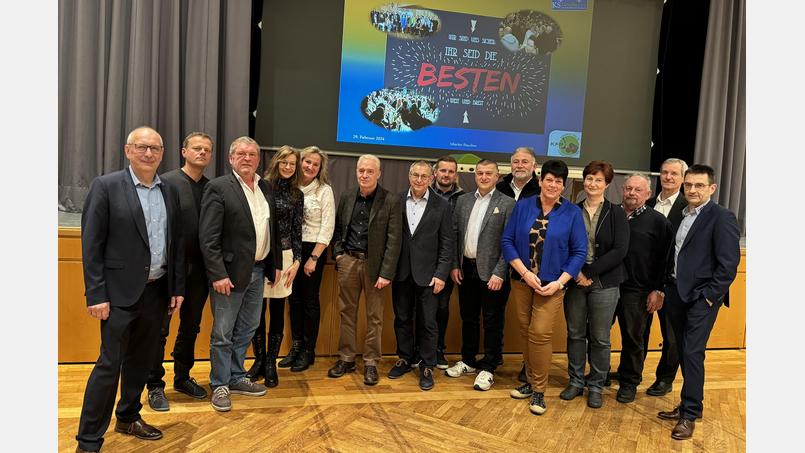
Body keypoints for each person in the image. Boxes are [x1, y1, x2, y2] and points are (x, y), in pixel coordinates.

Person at [75, 126, 185, 453]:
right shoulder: (106, 186)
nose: (148, 153)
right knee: (109, 365)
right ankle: (89, 440)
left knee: (141, 361)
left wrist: (176, 287)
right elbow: (91, 244)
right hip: (117, 295)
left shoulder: (170, 191)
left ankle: (128, 416)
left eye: (155, 148)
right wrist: (96, 294)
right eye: (142, 147)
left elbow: (175, 243)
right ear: (128, 150)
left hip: (157, 292)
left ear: (162, 153)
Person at [657, 164, 740, 440]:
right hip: (677, 294)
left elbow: (728, 265)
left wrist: (708, 297)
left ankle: (689, 414)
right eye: (689, 185)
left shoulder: (722, 217)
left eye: (699, 186)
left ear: (711, 188)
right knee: (683, 351)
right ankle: (690, 404)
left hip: (701, 299)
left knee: (692, 353)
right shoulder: (682, 215)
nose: (692, 190)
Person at [199, 136, 282, 412]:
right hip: (229, 275)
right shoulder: (218, 187)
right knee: (223, 332)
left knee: (246, 329)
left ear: (259, 160)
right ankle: (220, 383)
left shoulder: (265, 187)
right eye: (241, 154)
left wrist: (274, 265)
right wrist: (218, 274)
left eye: (252, 154)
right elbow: (208, 238)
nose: (247, 158)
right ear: (231, 158)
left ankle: (236, 376)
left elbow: (273, 231)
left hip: (258, 272)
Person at [502, 159, 586, 415]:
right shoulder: (523, 206)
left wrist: (560, 282)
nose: (553, 185)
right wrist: (525, 274)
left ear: (563, 185)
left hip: (552, 286)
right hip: (522, 281)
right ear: (540, 180)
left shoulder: (571, 213)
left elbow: (579, 252)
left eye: (558, 182)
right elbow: (507, 241)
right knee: (527, 332)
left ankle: (539, 390)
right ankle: (529, 381)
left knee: (540, 333)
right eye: (549, 179)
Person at [146, 132, 214, 412]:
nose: (201, 153)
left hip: (200, 269)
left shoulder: (213, 188)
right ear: (183, 151)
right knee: (159, 329)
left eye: (207, 150)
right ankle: (154, 385)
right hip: (170, 269)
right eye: (196, 148)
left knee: (191, 326)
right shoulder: (166, 183)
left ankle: (182, 376)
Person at [328, 155, 402, 386]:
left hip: (375, 267)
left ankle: (371, 362)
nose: (365, 175)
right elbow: (338, 229)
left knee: (375, 317)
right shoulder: (348, 196)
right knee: (346, 312)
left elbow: (394, 240)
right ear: (356, 171)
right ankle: (347, 358)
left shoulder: (390, 200)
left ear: (379, 173)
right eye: (361, 170)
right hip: (349, 261)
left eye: (370, 171)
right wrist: (339, 255)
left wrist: (386, 272)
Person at [560, 160, 629, 409]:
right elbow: (563, 246)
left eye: (598, 180)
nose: (592, 183)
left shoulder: (616, 212)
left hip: (605, 282)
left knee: (600, 338)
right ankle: (576, 381)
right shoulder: (570, 211)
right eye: (589, 178)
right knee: (576, 334)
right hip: (575, 281)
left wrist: (588, 271)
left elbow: (620, 250)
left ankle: (597, 385)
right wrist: (577, 272)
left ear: (607, 184)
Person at [445, 160, 515, 391]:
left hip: (493, 273)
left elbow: (510, 242)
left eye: (489, 174)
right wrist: (455, 265)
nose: (484, 177)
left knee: (493, 321)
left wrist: (500, 272)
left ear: (497, 176)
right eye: (480, 173)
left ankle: (489, 366)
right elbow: (454, 235)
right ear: (475, 176)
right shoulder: (463, 201)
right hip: (466, 269)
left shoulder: (507, 204)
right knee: (469, 317)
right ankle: (468, 360)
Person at [389, 161, 454, 390]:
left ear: (431, 178)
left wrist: (441, 275)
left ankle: (427, 365)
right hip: (401, 272)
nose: (419, 180)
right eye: (415, 175)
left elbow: (448, 243)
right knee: (402, 318)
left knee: (428, 322)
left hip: (429, 276)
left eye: (424, 176)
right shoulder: (395, 201)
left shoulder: (442, 205)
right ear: (409, 176)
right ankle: (405, 358)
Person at [245, 145, 304, 388]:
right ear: (276, 163)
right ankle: (258, 360)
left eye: (292, 163)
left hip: (287, 256)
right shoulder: (262, 187)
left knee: (278, 311)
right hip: (263, 256)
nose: (288, 167)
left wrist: (297, 261)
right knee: (256, 312)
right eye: (284, 162)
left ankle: (270, 362)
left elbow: (296, 230)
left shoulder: (297, 194)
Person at [612, 174, 673, 404]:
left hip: (638, 290)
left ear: (648, 194)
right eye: (628, 188)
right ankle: (600, 374)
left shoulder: (658, 222)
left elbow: (665, 259)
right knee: (596, 333)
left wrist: (658, 290)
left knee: (634, 337)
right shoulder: (613, 214)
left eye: (638, 190)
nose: (632, 193)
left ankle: (629, 382)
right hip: (607, 285)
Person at [282, 146, 335, 372]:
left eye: (315, 164)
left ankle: (308, 350)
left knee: (310, 300)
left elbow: (328, 226)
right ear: (299, 162)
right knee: (293, 299)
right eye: (307, 162)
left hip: (314, 250)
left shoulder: (324, 190)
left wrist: (313, 258)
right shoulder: (289, 187)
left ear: (319, 168)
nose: (310, 167)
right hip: (290, 249)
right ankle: (295, 346)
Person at [643, 157, 689, 397]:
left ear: (683, 178)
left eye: (674, 174)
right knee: (638, 331)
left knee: (671, 336)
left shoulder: (687, 208)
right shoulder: (647, 203)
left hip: (670, 285)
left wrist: (660, 288)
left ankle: (665, 379)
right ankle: (632, 371)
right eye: (664, 173)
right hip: (641, 281)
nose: (668, 177)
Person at [428, 156, 465, 369]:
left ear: (456, 175)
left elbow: (456, 234)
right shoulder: (425, 192)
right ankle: (420, 349)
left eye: (451, 171)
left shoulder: (462, 198)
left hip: (447, 262)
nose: (446, 175)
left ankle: (438, 349)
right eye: (443, 170)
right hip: (423, 260)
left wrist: (453, 264)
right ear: (435, 173)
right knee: (421, 308)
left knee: (442, 307)